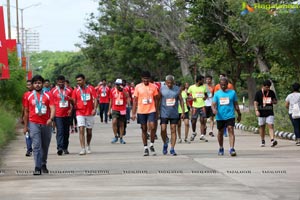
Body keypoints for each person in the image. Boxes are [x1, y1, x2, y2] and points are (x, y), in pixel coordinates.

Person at [23, 75, 55, 175]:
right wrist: (25, 126)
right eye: (35, 83)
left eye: (39, 83)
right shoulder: (28, 96)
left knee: (45, 146)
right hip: (34, 123)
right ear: (32, 85)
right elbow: (26, 112)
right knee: (36, 145)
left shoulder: (48, 95)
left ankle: (43, 164)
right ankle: (37, 167)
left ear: (42, 84)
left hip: (46, 123)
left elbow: (53, 108)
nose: (37, 85)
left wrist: (51, 118)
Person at [131, 71, 159, 156]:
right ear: (142, 79)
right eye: (144, 79)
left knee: (153, 126)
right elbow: (135, 100)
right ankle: (145, 147)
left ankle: (152, 144)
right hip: (141, 111)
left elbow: (156, 99)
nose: (146, 81)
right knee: (143, 129)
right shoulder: (138, 87)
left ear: (149, 79)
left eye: (147, 79)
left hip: (151, 109)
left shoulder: (154, 87)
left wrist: (157, 110)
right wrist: (133, 113)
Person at [212, 78, 241, 156]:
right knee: (220, 132)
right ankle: (221, 147)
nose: (223, 86)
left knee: (230, 129)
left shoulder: (232, 93)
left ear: (227, 84)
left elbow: (236, 104)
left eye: (225, 84)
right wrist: (214, 110)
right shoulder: (217, 94)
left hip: (230, 115)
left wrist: (239, 114)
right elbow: (213, 104)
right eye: (222, 84)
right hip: (220, 116)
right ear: (219, 85)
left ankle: (232, 148)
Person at [72, 74, 98, 155]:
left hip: (89, 112)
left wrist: (94, 109)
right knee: (81, 129)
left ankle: (88, 145)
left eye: (80, 80)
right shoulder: (75, 90)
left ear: (84, 80)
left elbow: (95, 99)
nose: (78, 82)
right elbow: (73, 101)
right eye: (77, 81)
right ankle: (82, 148)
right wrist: (71, 101)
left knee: (89, 132)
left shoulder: (91, 88)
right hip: (80, 112)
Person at [159, 75, 184, 156]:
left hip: (174, 113)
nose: (169, 84)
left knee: (173, 129)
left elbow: (181, 100)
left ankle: (172, 148)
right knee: (163, 129)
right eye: (168, 83)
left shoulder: (177, 89)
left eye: (171, 83)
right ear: (165, 82)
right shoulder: (162, 89)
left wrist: (183, 112)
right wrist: (157, 111)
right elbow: (158, 100)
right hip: (164, 113)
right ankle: (165, 142)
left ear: (173, 82)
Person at [50, 75, 73, 155]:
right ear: (57, 82)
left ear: (64, 82)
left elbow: (73, 102)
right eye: (59, 82)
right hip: (58, 114)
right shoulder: (53, 91)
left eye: (62, 82)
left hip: (67, 114)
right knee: (60, 131)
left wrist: (71, 109)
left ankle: (65, 147)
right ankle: (59, 148)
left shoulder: (69, 90)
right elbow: (51, 104)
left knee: (66, 132)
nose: (61, 84)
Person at [254, 80, 278, 147]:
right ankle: (262, 140)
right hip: (261, 112)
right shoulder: (258, 93)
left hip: (269, 111)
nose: (268, 88)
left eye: (269, 87)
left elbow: (275, 101)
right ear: (263, 86)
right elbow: (255, 102)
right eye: (267, 87)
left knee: (270, 125)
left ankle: (272, 140)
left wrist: (274, 101)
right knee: (262, 127)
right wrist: (256, 110)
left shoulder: (271, 92)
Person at [108, 79, 131, 144]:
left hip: (122, 109)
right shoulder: (112, 90)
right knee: (114, 121)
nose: (118, 86)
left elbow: (127, 97)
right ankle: (115, 136)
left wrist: (122, 90)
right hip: (115, 108)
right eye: (117, 84)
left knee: (121, 123)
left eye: (119, 84)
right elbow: (111, 101)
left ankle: (121, 137)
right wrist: (109, 110)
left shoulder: (124, 90)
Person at [187, 75, 208, 142]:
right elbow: (187, 96)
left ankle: (202, 135)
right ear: (199, 80)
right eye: (202, 80)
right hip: (195, 106)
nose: (203, 81)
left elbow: (206, 95)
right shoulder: (191, 87)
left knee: (202, 120)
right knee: (193, 120)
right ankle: (194, 132)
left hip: (202, 106)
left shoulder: (204, 87)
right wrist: (192, 98)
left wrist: (205, 97)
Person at [21, 79, 33, 157]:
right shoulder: (25, 95)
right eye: (27, 85)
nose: (28, 86)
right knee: (27, 133)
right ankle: (29, 149)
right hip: (27, 117)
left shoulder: (38, 94)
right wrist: (22, 116)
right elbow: (24, 107)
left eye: (30, 84)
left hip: (35, 117)